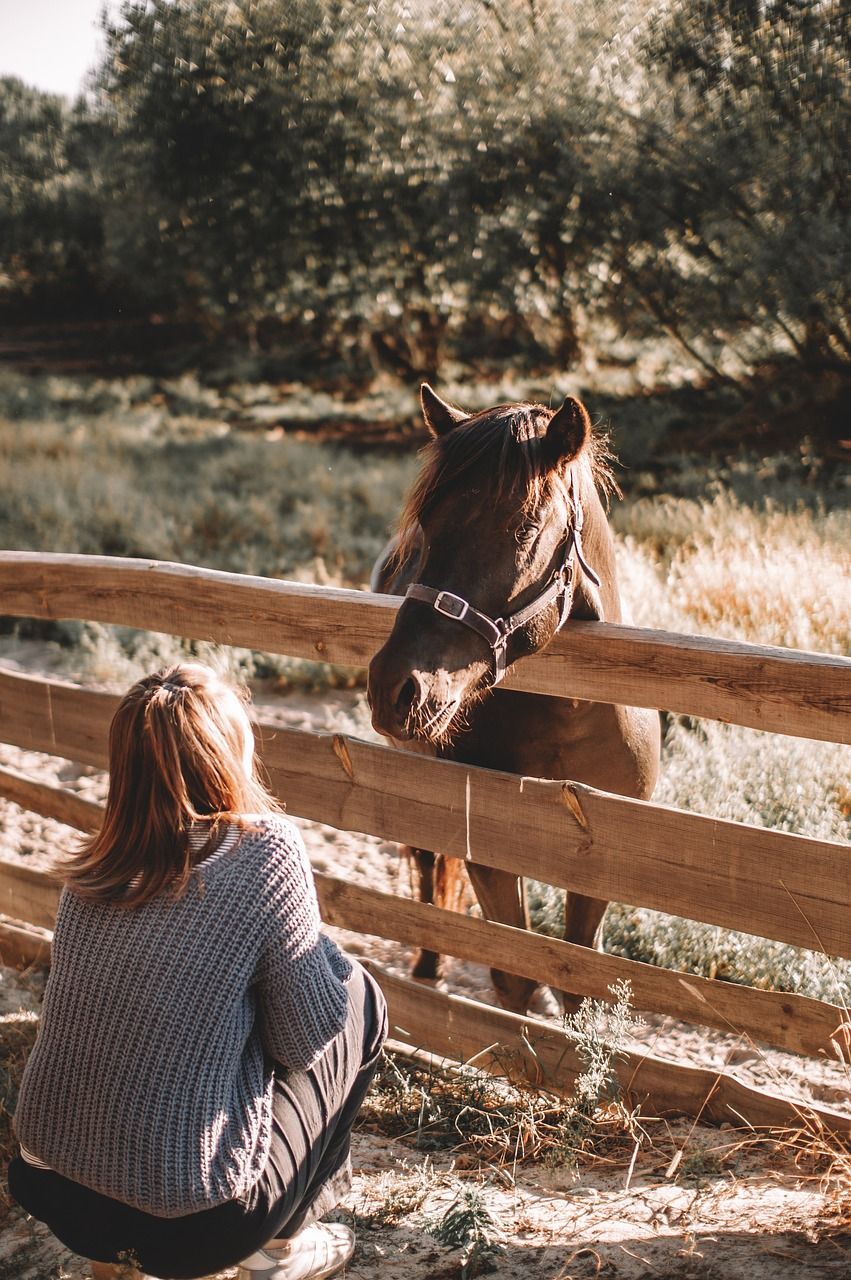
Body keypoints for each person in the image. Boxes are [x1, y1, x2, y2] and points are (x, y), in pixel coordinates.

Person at [8, 662, 387, 1280]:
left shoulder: (95, 869)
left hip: (59, 1195)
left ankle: (116, 1263)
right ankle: (279, 1244)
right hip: (195, 1224)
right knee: (361, 999)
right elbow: (303, 1041)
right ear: (225, 755)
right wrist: (312, 949)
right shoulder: (264, 851)